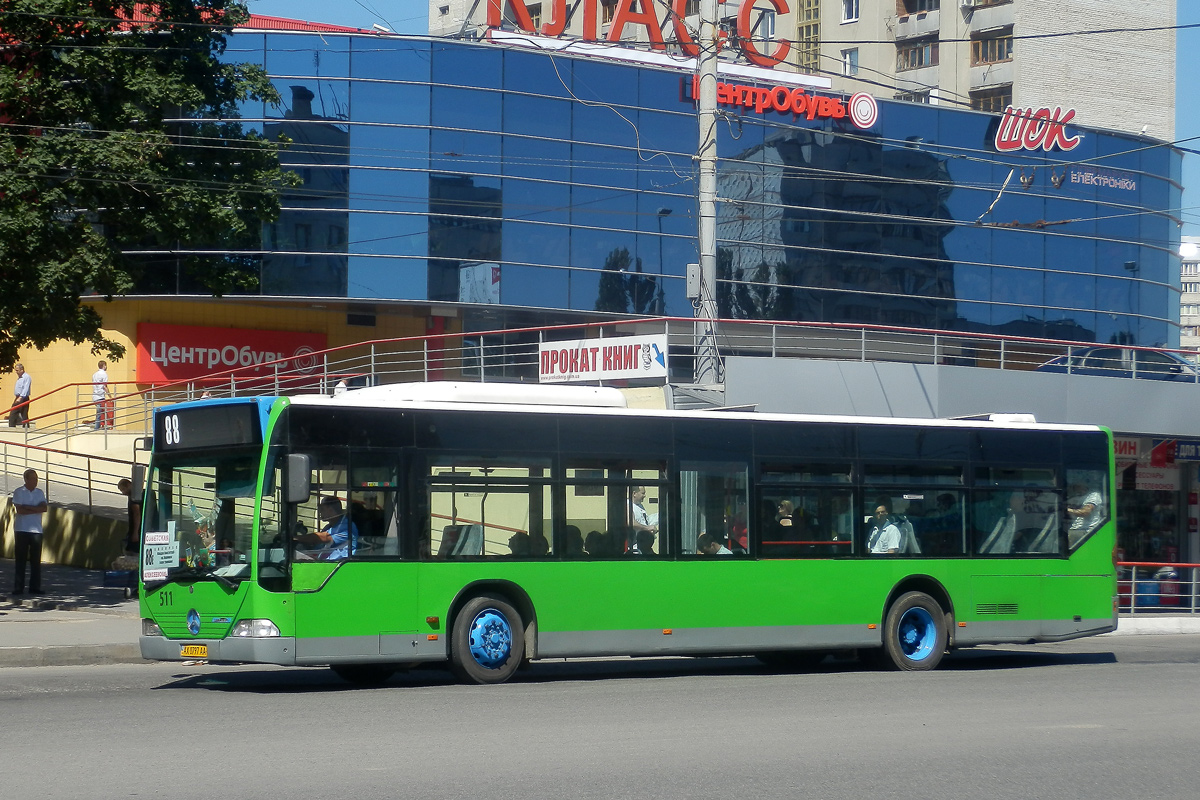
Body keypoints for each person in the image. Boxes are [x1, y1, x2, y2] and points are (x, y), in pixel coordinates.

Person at [11, 469, 49, 595]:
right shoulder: (19, 492)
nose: (35, 481)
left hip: (36, 530)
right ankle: (18, 587)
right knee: (21, 560)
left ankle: (35, 587)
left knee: (35, 560)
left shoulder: (39, 493)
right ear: (26, 479)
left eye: (36, 478)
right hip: (22, 529)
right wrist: (36, 509)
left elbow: (44, 508)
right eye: (33, 478)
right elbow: (20, 510)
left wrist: (28, 507)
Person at [293, 496, 358, 560]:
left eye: (322, 509)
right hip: (327, 561)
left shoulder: (346, 525)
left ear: (331, 510)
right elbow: (318, 545)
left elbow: (322, 537)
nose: (320, 512)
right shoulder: (328, 527)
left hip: (342, 563)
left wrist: (295, 538)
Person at [627, 486, 657, 552]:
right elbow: (630, 522)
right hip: (635, 549)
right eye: (643, 493)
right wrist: (647, 528)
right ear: (634, 493)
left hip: (645, 547)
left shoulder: (640, 506)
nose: (644, 496)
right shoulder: (628, 504)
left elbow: (644, 522)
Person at [118, 478, 142, 553]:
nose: (123, 493)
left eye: (123, 490)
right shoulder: (141, 493)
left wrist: (135, 533)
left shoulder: (134, 497)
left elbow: (136, 514)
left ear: (128, 485)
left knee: (132, 550)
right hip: (144, 528)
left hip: (138, 530)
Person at [9, 363, 31, 428]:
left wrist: (21, 397)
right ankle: (12, 427)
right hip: (18, 397)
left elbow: (26, 388)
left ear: (22, 370)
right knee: (13, 413)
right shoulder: (19, 378)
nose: (16, 372)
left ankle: (26, 428)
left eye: (17, 370)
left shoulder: (26, 377)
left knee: (23, 414)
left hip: (23, 398)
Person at [92, 360, 109, 429]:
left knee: (100, 412)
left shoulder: (94, 374)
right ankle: (97, 428)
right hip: (101, 395)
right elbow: (105, 386)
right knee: (100, 414)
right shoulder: (104, 374)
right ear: (104, 366)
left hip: (95, 395)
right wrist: (109, 395)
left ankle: (98, 426)